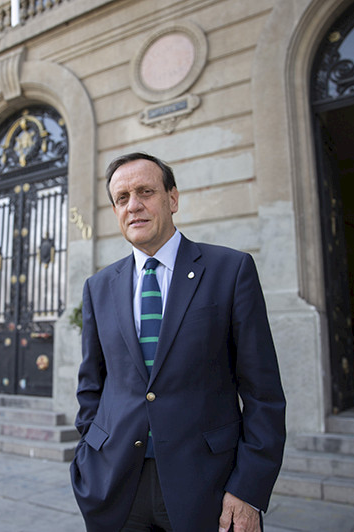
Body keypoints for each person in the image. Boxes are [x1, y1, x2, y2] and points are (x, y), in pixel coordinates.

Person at [70, 153, 286, 532]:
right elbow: (92, 385)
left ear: (172, 199)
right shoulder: (98, 287)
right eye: (122, 198)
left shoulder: (230, 270)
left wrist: (248, 489)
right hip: (116, 487)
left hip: (207, 488)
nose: (133, 205)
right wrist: (90, 457)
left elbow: (263, 394)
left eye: (145, 192)